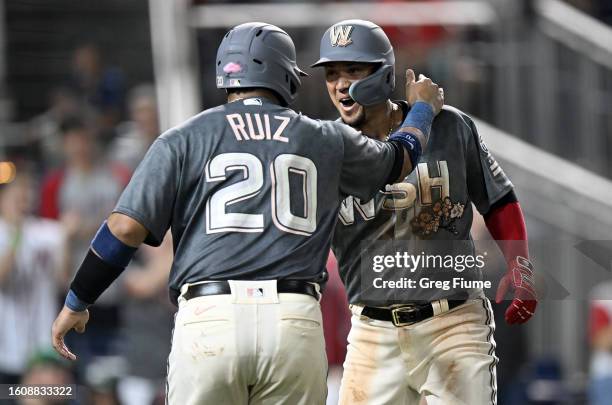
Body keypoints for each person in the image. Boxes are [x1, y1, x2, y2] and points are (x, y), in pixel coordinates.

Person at [50, 22, 444, 405]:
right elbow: (400, 160)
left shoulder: (184, 136)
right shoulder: (326, 136)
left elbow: (123, 228)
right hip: (293, 319)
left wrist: (77, 300)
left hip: (210, 315)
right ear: (286, 76)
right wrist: (422, 109)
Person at [312, 19, 538, 404]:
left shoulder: (450, 126)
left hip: (453, 322)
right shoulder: (326, 147)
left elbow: (498, 199)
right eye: (332, 73)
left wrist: (520, 267)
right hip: (371, 330)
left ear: (384, 75)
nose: (340, 84)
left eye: (353, 70)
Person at [0, 172, 67, 387]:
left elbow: (64, 280)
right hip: (7, 347)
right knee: (8, 396)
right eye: (16, 195)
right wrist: (16, 236)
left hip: (43, 346)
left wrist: (66, 238)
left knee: (55, 396)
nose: (23, 199)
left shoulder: (47, 232)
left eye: (26, 193)